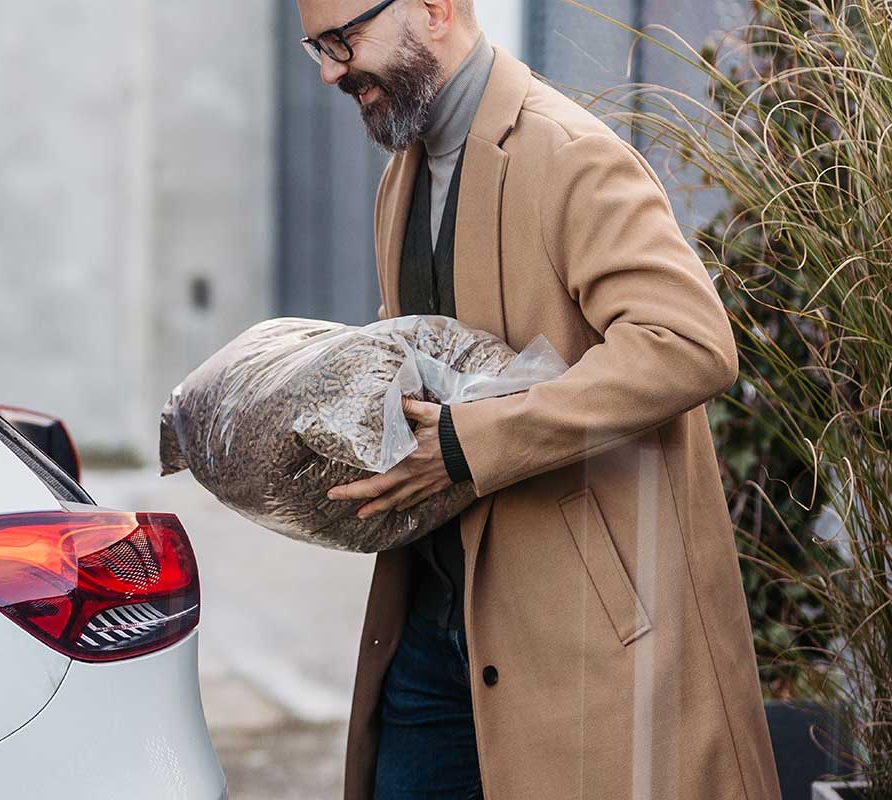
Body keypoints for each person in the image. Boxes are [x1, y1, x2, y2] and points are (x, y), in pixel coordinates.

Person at [294, 1, 782, 798]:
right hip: (427, 629)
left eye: (344, 41)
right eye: (316, 48)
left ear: (434, 10)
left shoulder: (570, 154)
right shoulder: (400, 178)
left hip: (577, 639)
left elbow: (688, 343)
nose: (329, 71)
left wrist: (466, 444)